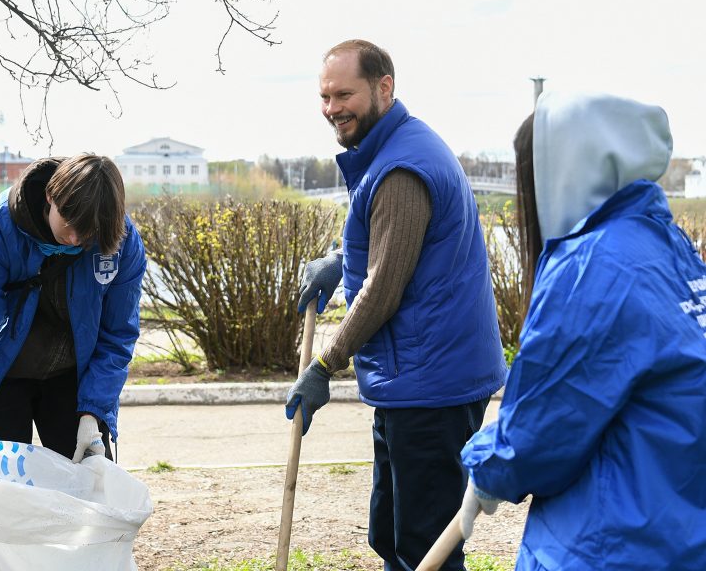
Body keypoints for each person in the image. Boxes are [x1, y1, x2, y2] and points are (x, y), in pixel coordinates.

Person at [459, 92, 706, 569]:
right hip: (678, 528)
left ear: (561, 172)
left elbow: (545, 422)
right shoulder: (672, 247)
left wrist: (490, 466)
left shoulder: (593, 265)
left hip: (610, 542)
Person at [286, 39, 506, 570]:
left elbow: (384, 289)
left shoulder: (402, 167)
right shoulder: (393, 149)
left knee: (425, 547)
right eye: (325, 96)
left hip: (431, 384)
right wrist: (342, 260)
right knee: (392, 533)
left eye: (344, 94)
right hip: (415, 378)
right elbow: (398, 243)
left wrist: (324, 365)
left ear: (384, 88)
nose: (332, 108)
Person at [0, 154, 146, 476]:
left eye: (87, 234)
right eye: (69, 224)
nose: (75, 239)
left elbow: (117, 335)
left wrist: (93, 413)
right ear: (50, 196)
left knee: (89, 488)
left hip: (73, 379)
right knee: (0, 490)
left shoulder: (120, 242)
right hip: (2, 373)